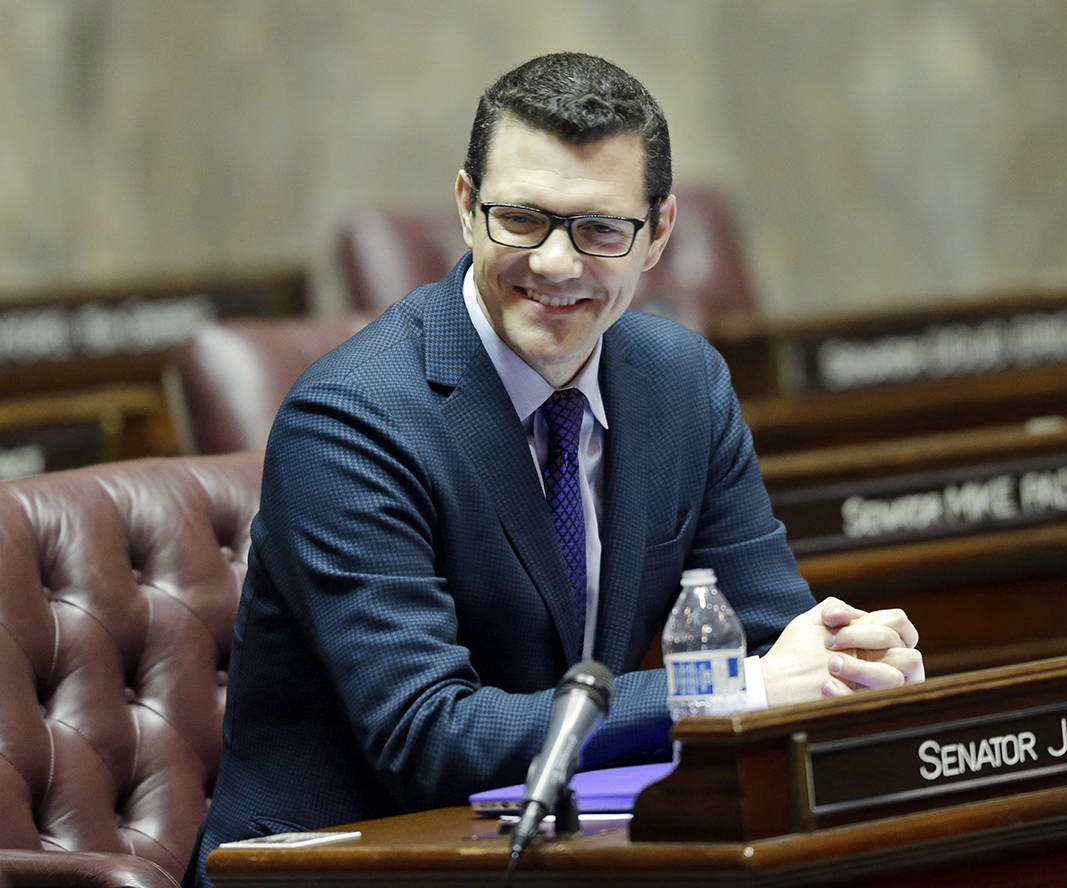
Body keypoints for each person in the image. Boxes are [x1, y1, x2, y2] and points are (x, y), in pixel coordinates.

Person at [183, 52, 922, 887]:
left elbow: (771, 642)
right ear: (467, 208)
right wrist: (737, 691)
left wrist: (846, 668)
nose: (558, 265)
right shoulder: (351, 419)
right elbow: (429, 738)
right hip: (338, 864)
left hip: (561, 855)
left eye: (601, 229)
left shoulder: (685, 384)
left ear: (659, 234)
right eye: (524, 220)